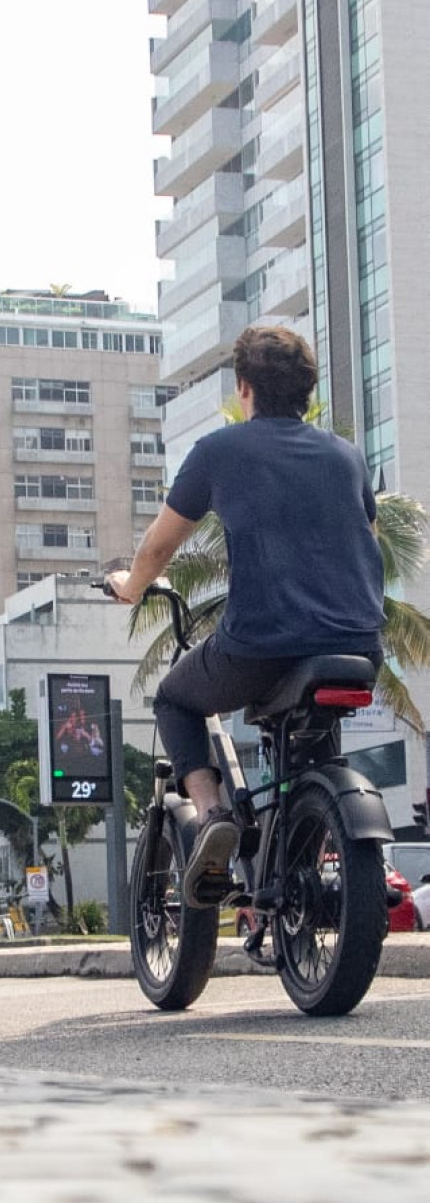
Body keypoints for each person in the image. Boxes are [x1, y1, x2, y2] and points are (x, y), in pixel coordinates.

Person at [109, 325, 385, 907]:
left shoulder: (219, 452)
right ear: (306, 391)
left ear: (244, 389)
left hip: (262, 646)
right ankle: (303, 870)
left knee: (175, 700)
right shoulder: (347, 457)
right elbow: (370, 537)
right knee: (311, 752)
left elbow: (160, 547)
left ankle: (211, 817)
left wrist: (131, 587)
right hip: (357, 647)